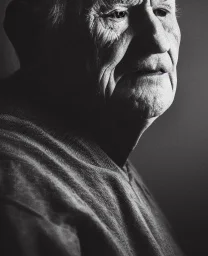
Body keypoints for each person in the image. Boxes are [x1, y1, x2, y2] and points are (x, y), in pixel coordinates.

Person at [0, 0, 182, 255]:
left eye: (162, 11)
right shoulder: (20, 189)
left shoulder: (100, 139)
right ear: (35, 37)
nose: (159, 41)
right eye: (117, 14)